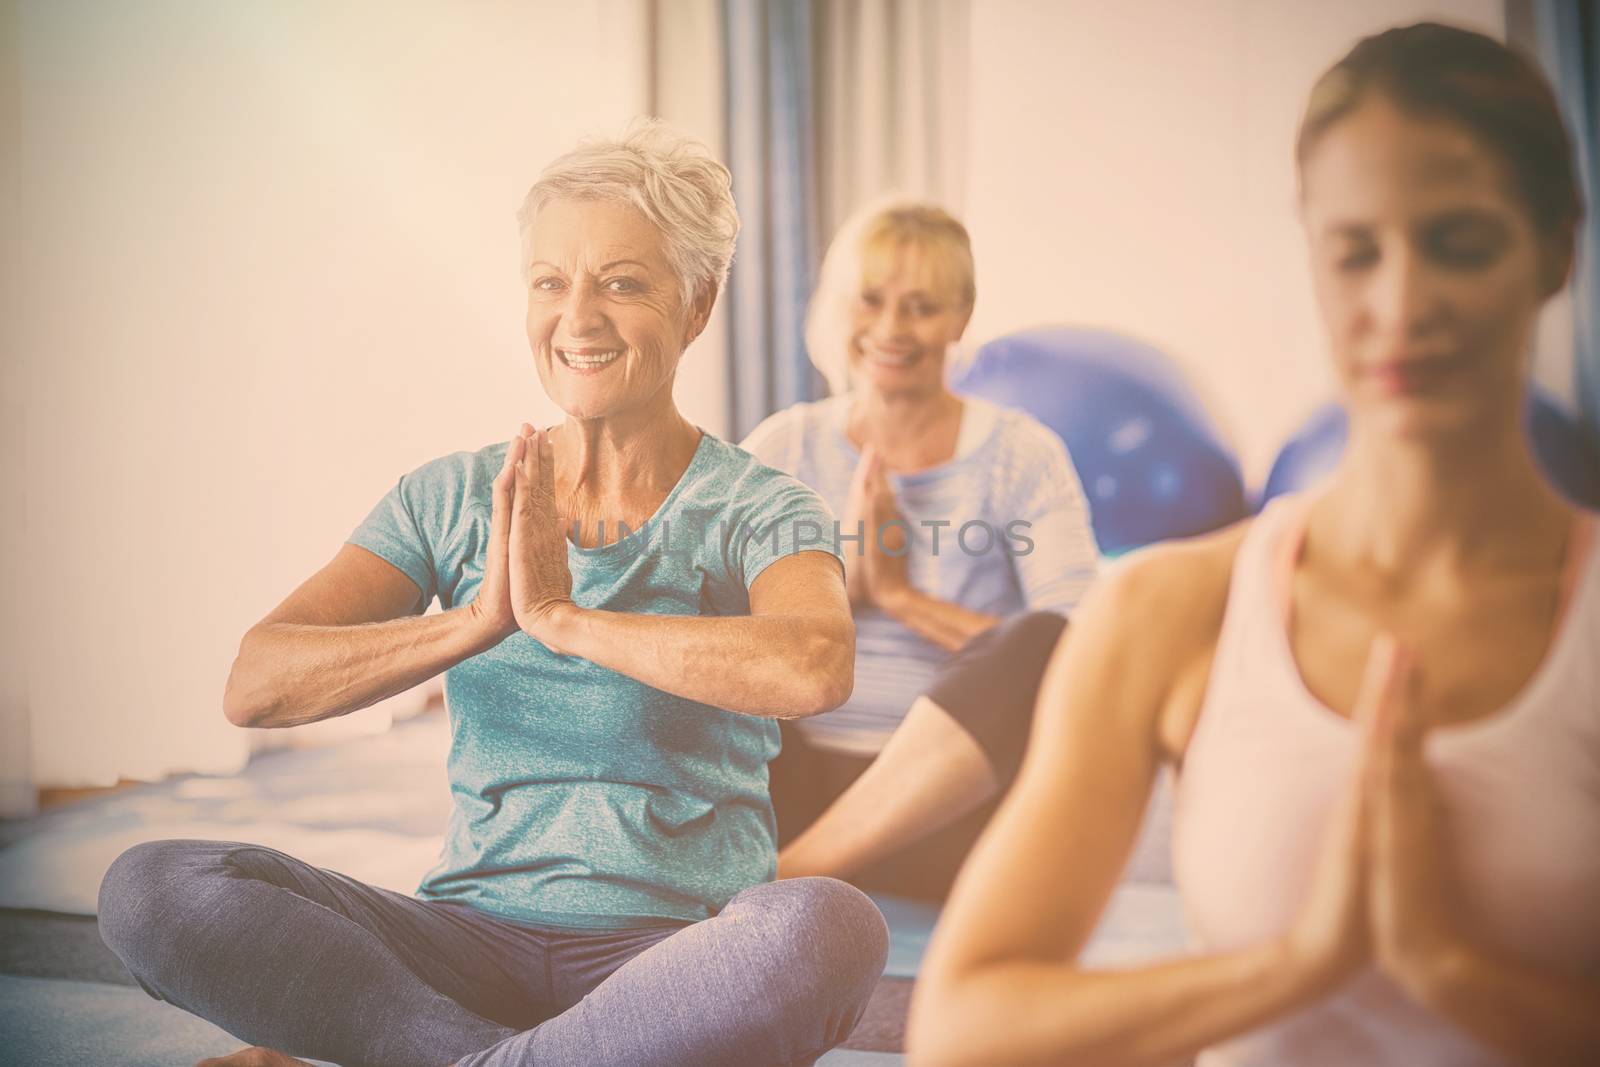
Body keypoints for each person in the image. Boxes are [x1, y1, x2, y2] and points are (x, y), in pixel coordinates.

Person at [95, 121, 888, 1067]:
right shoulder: (455, 495)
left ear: (699, 303)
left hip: (672, 957)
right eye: (551, 281)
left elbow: (814, 663)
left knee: (828, 925)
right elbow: (255, 683)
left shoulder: (760, 506)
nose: (578, 319)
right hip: (460, 942)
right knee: (152, 886)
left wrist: (567, 620)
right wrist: (476, 623)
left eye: (622, 282)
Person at [909, 23, 1600, 1067]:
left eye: (1459, 244)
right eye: (1356, 251)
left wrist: (1446, 966)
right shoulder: (1172, 608)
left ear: (1553, 249)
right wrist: (1298, 962)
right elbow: (966, 1025)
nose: (1401, 304)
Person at [742, 201, 1100, 900]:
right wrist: (843, 590)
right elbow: (715, 631)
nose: (890, 329)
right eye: (871, 301)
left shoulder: (1021, 455)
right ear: (839, 309)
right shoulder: (785, 446)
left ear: (961, 317)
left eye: (921, 307)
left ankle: (792, 875)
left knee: (1045, 640)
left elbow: (1090, 655)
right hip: (788, 789)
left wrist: (905, 597)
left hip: (951, 814)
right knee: (687, 627)